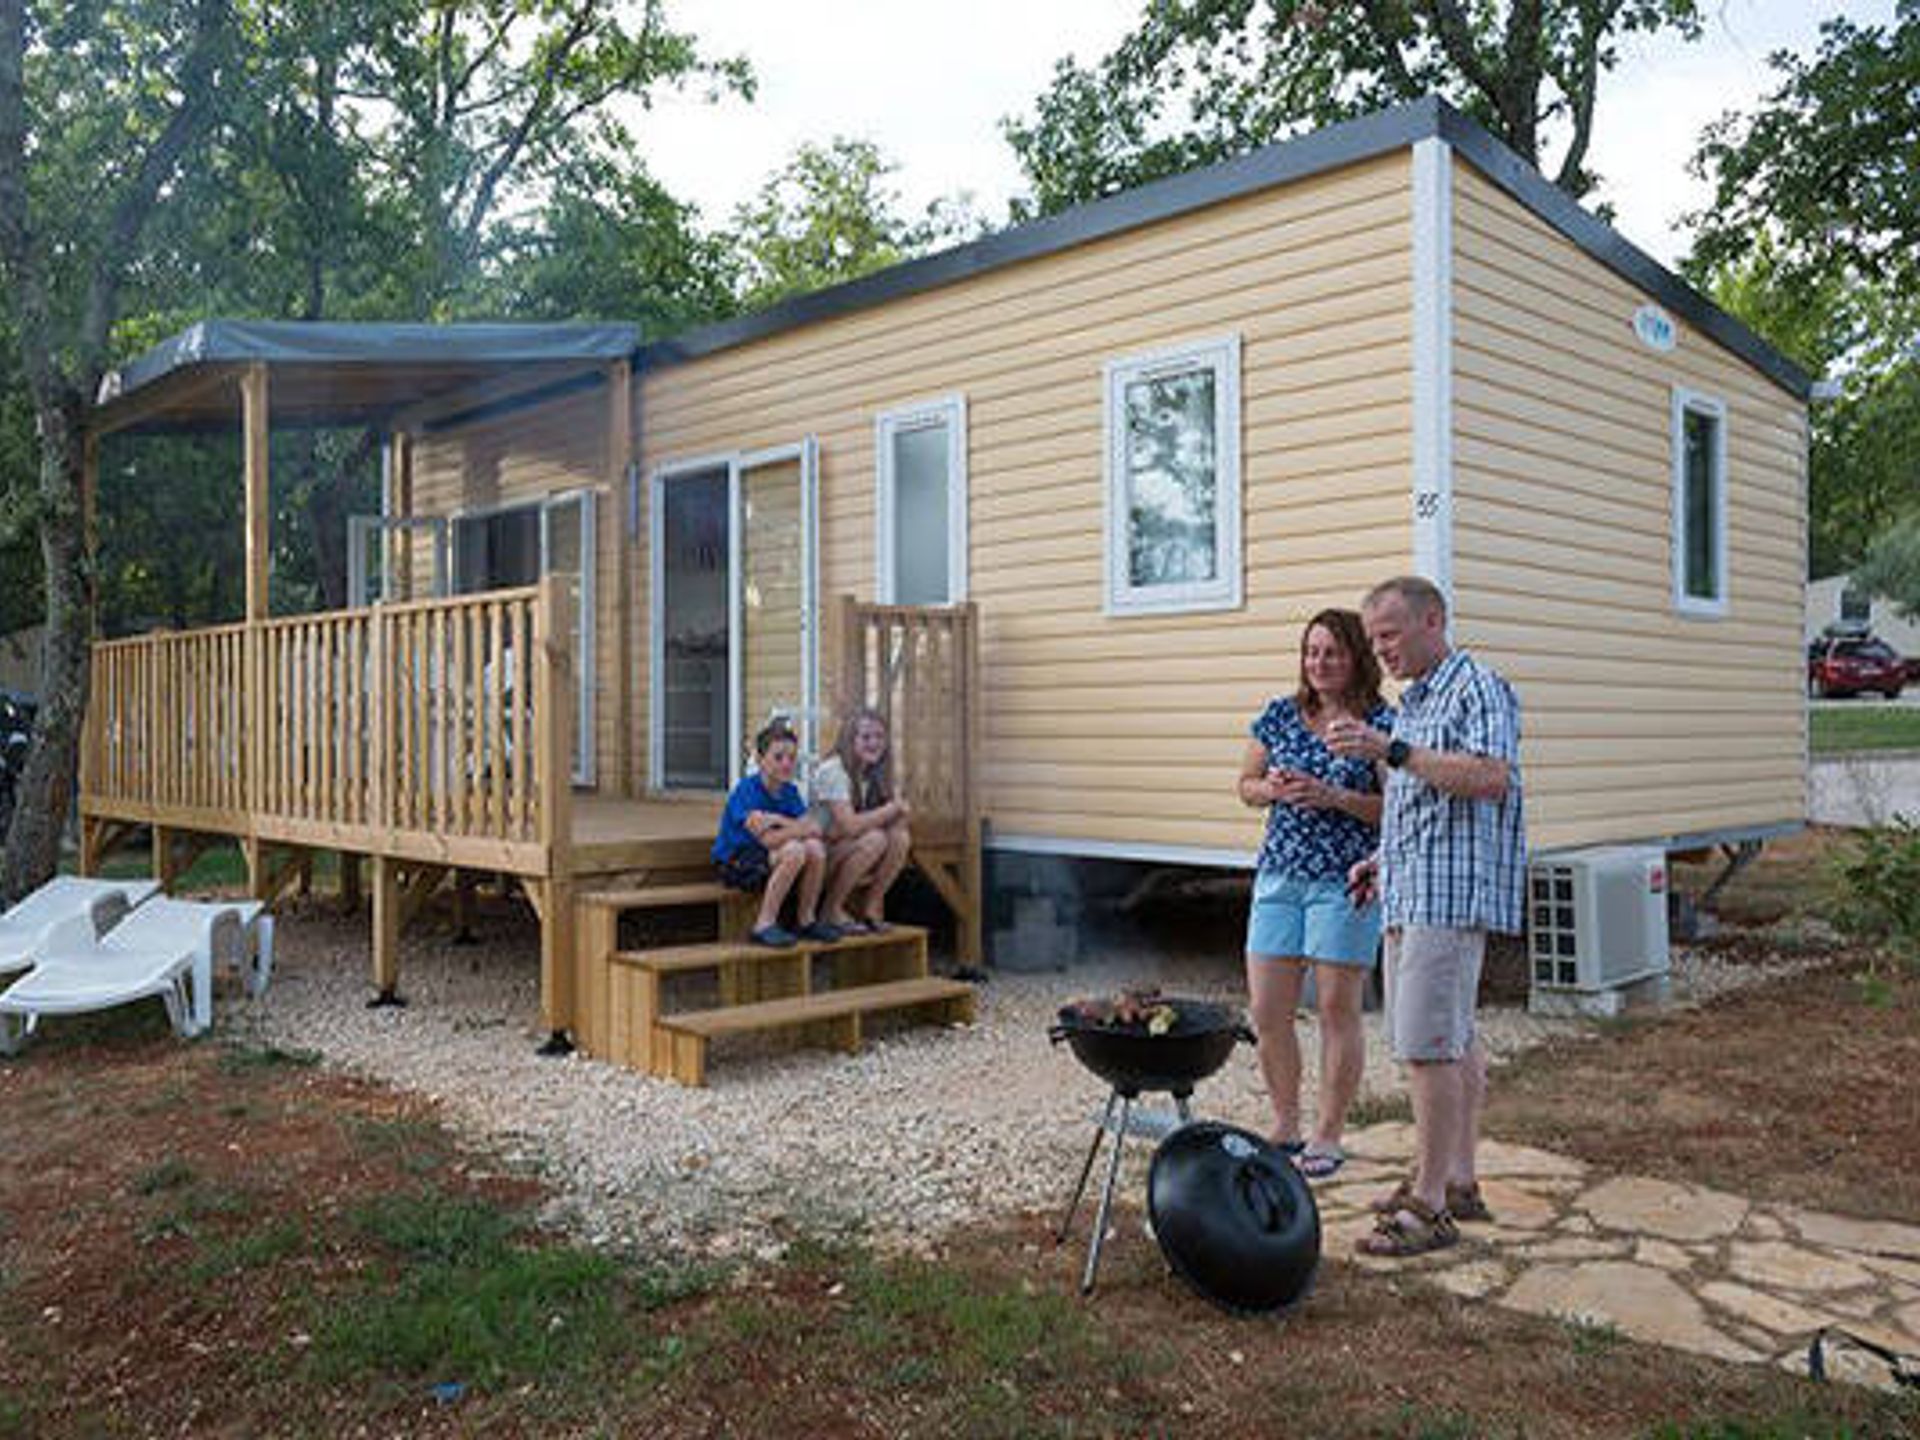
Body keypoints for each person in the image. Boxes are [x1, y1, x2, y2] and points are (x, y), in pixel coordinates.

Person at [1327, 575, 1525, 1258]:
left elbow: (1490, 777)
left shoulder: (1477, 686)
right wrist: (1380, 861)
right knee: (1454, 1038)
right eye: (1373, 638)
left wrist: (1392, 750)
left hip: (1451, 896)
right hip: (1412, 889)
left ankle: (1430, 1205)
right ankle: (1456, 1181)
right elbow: (1421, 803)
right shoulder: (1415, 701)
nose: (1379, 649)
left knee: (1425, 1046)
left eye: (1388, 635)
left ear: (1432, 621)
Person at [1238, 609, 1390, 1180]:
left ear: (1356, 658)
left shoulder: (1380, 724)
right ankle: (1285, 1124)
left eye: (1332, 652)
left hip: (1344, 881)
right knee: (1267, 1009)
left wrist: (1334, 797)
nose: (1319, 663)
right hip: (1279, 877)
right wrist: (1272, 790)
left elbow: (1395, 810)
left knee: (1335, 1008)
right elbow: (1245, 786)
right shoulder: (1280, 715)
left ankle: (1328, 1134)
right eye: (1311, 652)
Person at [711, 720, 835, 947]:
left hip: (769, 858)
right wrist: (798, 828)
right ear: (760, 760)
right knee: (795, 850)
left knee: (815, 848)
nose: (786, 763)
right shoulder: (746, 790)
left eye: (791, 758)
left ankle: (806, 920)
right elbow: (768, 840)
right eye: (778, 757)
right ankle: (764, 924)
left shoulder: (790, 791)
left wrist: (777, 819)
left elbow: (815, 830)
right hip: (736, 862)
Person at [813, 706, 913, 934]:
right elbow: (849, 826)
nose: (874, 743)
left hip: (846, 847)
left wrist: (899, 815)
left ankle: (871, 907)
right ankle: (830, 909)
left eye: (879, 737)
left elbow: (898, 818)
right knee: (875, 839)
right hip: (819, 854)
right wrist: (891, 809)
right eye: (866, 737)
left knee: (900, 838)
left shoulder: (875, 771)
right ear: (850, 740)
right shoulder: (833, 770)